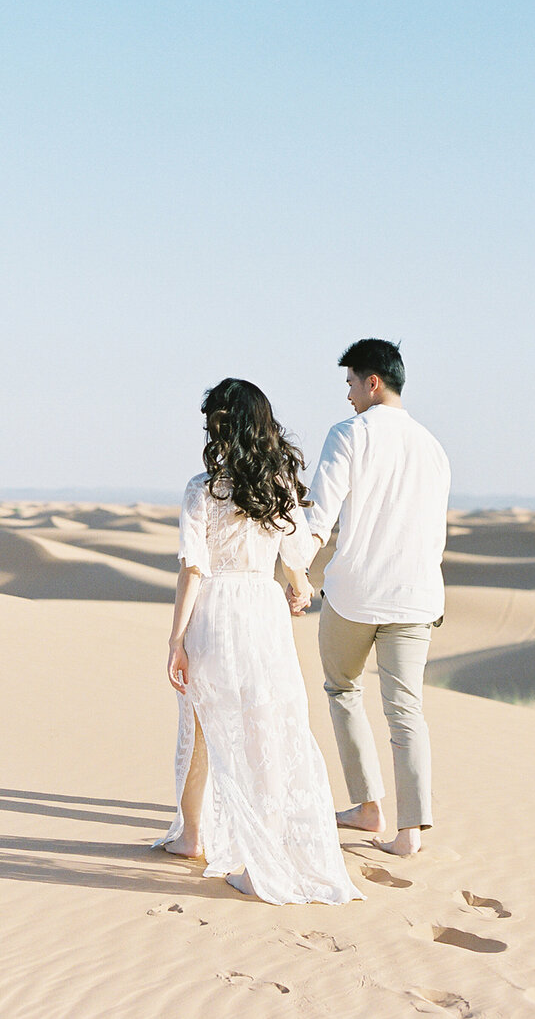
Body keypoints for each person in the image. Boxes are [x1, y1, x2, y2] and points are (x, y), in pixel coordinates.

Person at [155, 378, 362, 905]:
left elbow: (192, 567)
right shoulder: (279, 488)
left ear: (224, 425)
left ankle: (192, 836)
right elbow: (296, 560)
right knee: (263, 728)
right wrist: (297, 591)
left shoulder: (202, 488)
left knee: (202, 725)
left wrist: (176, 638)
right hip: (263, 612)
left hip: (217, 612)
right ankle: (256, 855)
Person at [301, 339, 451, 858]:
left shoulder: (349, 435)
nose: (346, 395)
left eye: (350, 383)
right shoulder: (434, 447)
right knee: (406, 710)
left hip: (355, 593)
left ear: (373, 383)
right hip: (416, 596)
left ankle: (367, 806)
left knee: (342, 688)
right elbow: (436, 533)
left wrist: (295, 571)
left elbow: (320, 515)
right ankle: (410, 832)